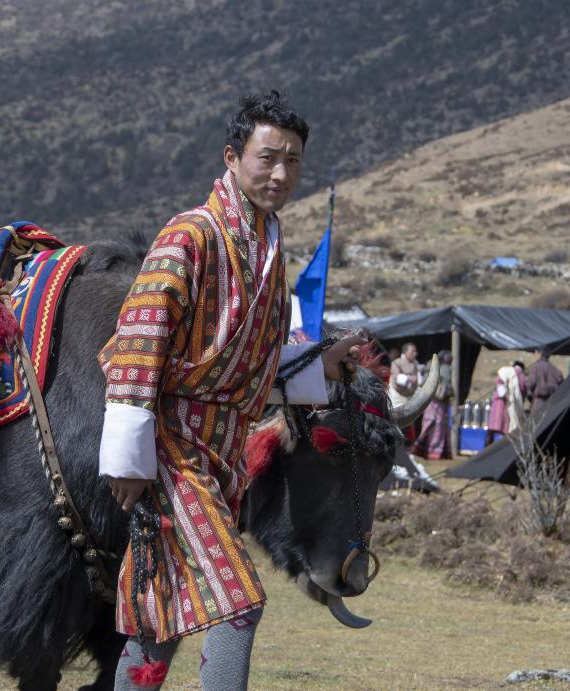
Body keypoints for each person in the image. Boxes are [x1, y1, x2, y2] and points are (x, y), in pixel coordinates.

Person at [97, 91, 363, 690]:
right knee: (237, 598)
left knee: (157, 606)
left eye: (293, 161)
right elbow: (138, 346)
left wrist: (323, 368)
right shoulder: (190, 236)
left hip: (220, 451)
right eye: (268, 157)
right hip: (169, 447)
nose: (281, 173)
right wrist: (129, 459)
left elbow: (247, 365)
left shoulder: (269, 244)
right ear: (231, 156)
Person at [413, 349, 453, 460]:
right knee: (429, 423)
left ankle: (435, 451)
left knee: (439, 426)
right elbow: (426, 382)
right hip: (431, 400)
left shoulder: (446, 368)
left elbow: (448, 386)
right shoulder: (432, 365)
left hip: (440, 401)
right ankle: (425, 449)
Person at [388, 342, 422, 443]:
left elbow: (419, 380)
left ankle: (408, 444)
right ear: (405, 352)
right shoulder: (397, 362)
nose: (415, 353)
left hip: (410, 396)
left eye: (416, 351)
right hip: (397, 396)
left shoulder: (415, 363)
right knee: (396, 419)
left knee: (409, 422)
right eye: (413, 351)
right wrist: (409, 378)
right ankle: (395, 441)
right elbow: (397, 378)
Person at [488, 360, 526, 441]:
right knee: (507, 427)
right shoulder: (521, 376)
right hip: (510, 404)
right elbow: (523, 391)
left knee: (494, 427)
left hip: (500, 402)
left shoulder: (506, 371)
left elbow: (499, 381)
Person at [526, 347, 563, 419]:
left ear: (540, 354)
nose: (535, 355)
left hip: (538, 402)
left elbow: (530, 384)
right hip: (552, 403)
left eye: (536, 353)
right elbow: (561, 383)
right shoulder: (554, 368)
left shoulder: (536, 367)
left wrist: (528, 395)